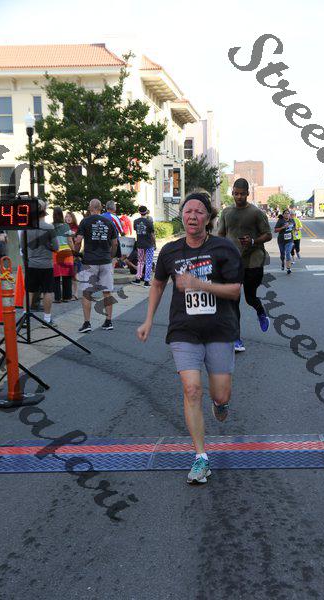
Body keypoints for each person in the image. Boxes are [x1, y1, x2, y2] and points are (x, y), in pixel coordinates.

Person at [137, 192, 243, 485]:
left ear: (208, 219)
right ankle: (200, 457)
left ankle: (220, 404)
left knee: (220, 395)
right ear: (181, 216)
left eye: (199, 211)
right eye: (187, 211)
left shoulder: (223, 248)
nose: (192, 216)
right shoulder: (170, 251)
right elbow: (158, 284)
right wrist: (148, 320)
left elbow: (234, 290)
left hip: (219, 329)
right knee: (192, 389)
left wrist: (198, 283)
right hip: (184, 330)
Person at [217, 178, 272, 353]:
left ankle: (260, 311)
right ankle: (236, 339)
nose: (238, 197)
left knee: (250, 298)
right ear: (232, 193)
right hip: (233, 263)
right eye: (236, 193)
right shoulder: (226, 212)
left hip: (253, 261)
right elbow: (221, 234)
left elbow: (268, 234)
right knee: (233, 301)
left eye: (242, 194)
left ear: (248, 193)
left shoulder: (256, 213)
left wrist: (253, 241)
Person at [74, 199, 118, 333]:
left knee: (87, 292)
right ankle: (108, 321)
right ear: (100, 208)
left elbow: (79, 240)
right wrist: (111, 256)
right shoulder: (109, 222)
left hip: (89, 261)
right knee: (107, 291)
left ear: (90, 208)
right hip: (105, 261)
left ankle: (87, 323)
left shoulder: (85, 221)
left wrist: (76, 253)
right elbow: (115, 243)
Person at [19, 199, 59, 327]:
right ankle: (47, 319)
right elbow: (56, 247)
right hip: (46, 264)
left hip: (32, 264)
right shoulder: (49, 228)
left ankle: (25, 318)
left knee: (29, 291)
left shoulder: (26, 227)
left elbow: (22, 247)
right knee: (48, 291)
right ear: (44, 212)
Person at [52, 207, 75, 303]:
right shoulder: (66, 226)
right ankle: (67, 297)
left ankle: (57, 298)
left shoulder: (51, 226)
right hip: (66, 253)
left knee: (56, 277)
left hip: (55, 253)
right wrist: (73, 251)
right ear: (62, 215)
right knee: (67, 276)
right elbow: (70, 240)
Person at [133, 205, 155, 287]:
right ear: (146, 212)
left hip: (140, 244)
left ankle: (138, 279)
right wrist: (154, 243)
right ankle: (146, 281)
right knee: (148, 262)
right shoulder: (149, 222)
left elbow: (136, 230)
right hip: (149, 244)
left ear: (139, 212)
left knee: (140, 261)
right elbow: (152, 234)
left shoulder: (135, 221)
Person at [102, 200, 125, 266]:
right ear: (114, 208)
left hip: (101, 241)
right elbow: (121, 232)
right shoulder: (114, 217)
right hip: (112, 242)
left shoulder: (101, 216)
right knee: (112, 260)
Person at [275, 208, 296, 275]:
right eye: (285, 213)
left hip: (289, 240)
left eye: (288, 213)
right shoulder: (280, 221)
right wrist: (283, 227)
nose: (287, 214)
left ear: (289, 214)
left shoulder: (292, 220)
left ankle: (288, 268)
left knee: (288, 253)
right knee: (282, 254)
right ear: (283, 215)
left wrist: (294, 230)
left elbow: (294, 227)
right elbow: (275, 230)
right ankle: (282, 262)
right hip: (281, 240)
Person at [65, 211, 80, 300]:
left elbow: (78, 241)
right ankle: (68, 294)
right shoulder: (63, 227)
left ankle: (75, 293)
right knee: (67, 275)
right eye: (66, 217)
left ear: (73, 218)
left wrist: (75, 253)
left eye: (70, 217)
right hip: (64, 253)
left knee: (74, 274)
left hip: (73, 253)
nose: (68, 218)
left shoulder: (76, 228)